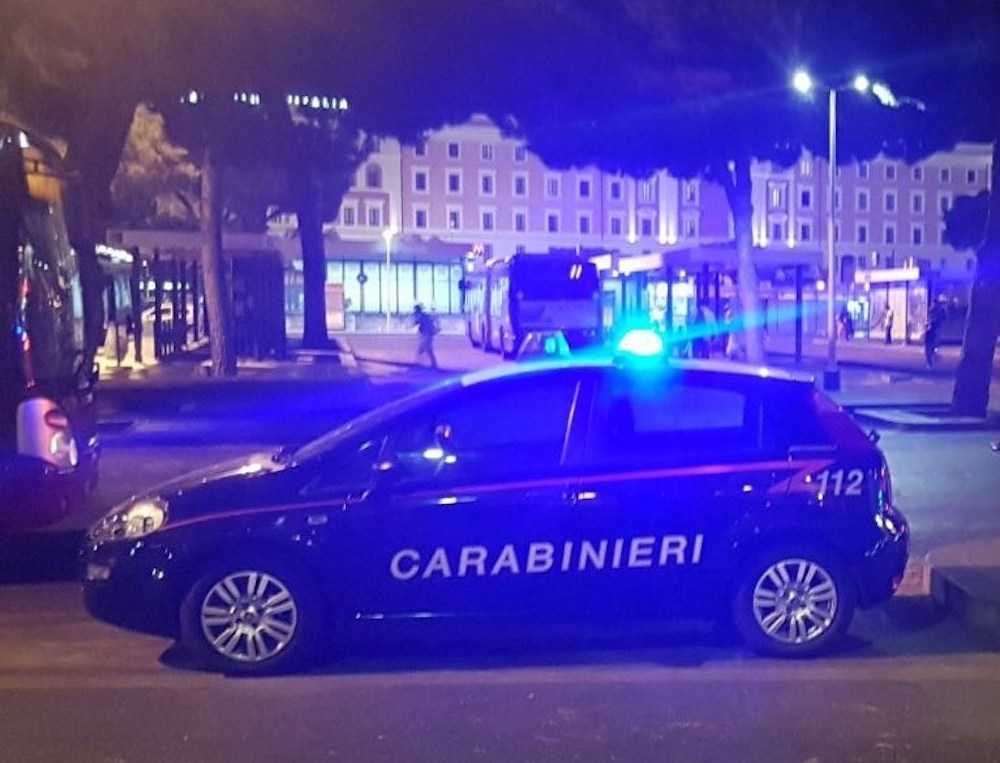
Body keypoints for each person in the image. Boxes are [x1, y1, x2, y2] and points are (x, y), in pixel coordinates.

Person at [413, 304, 439, 369]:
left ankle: (433, 365)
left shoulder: (420, 316)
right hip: (428, 334)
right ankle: (421, 363)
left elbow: (416, 322)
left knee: (427, 350)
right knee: (423, 349)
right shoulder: (425, 315)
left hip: (427, 334)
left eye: (416, 310)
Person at [925, 299, 946, 367]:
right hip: (934, 330)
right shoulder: (938, 310)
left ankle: (932, 358)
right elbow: (943, 318)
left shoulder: (934, 310)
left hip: (933, 330)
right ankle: (933, 356)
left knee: (931, 346)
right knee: (933, 345)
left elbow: (930, 319)